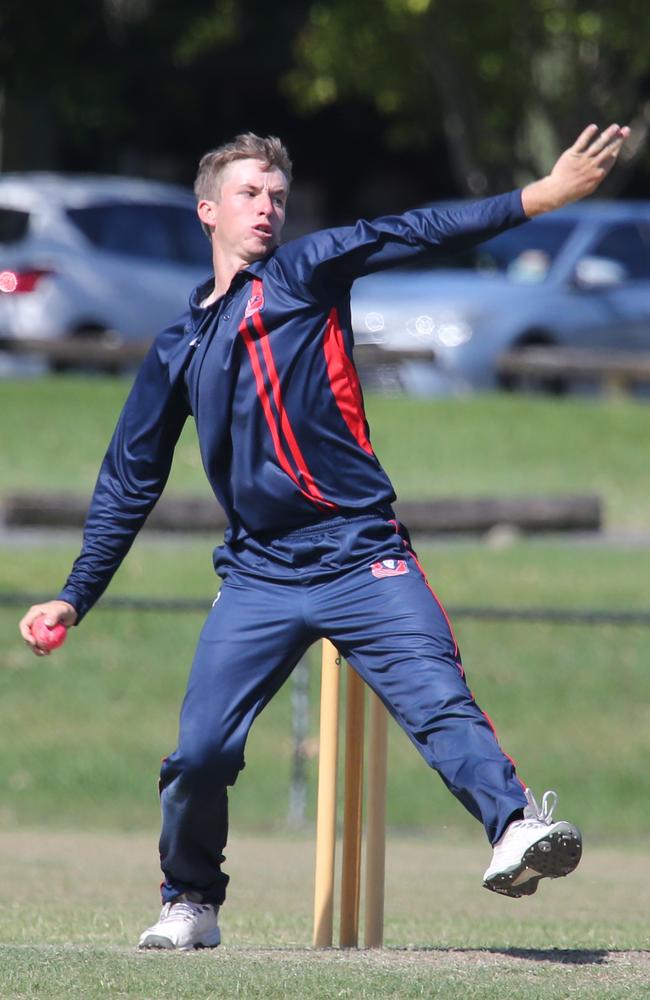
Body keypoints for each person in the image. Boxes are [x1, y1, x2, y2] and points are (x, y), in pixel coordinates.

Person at [20, 123, 629, 951]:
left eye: (276, 195)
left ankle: (514, 828)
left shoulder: (305, 275)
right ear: (208, 210)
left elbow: (411, 229)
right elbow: (131, 479)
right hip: (259, 577)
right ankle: (190, 902)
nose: (267, 208)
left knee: (437, 699)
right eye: (248, 194)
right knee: (199, 755)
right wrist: (74, 593)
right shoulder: (178, 346)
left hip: (360, 553)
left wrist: (540, 198)